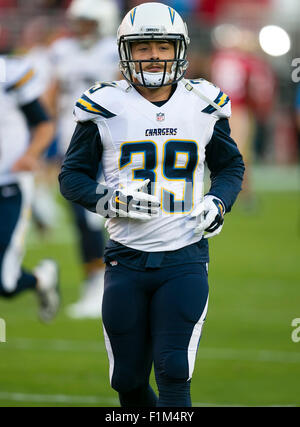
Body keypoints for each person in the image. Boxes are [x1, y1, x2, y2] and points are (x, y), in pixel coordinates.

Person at [59, 2, 244, 407]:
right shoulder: (105, 104)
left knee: (175, 369)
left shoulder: (203, 102)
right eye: (143, 48)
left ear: (180, 49)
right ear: (126, 51)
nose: (155, 56)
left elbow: (230, 166)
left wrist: (218, 201)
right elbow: (71, 178)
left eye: (163, 46)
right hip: (124, 258)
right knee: (126, 379)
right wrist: (109, 199)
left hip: (185, 257)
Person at [46, 0, 120, 319]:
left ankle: (109, 282)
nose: (81, 27)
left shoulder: (115, 51)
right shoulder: (62, 49)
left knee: (104, 214)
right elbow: (52, 94)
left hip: (108, 142)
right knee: (81, 216)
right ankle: (95, 280)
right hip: (69, 139)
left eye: (88, 21)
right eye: (79, 21)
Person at [0, 54, 60, 322]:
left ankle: (41, 279)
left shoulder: (8, 74)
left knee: (6, 283)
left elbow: (45, 124)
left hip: (9, 185)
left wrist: (31, 154)